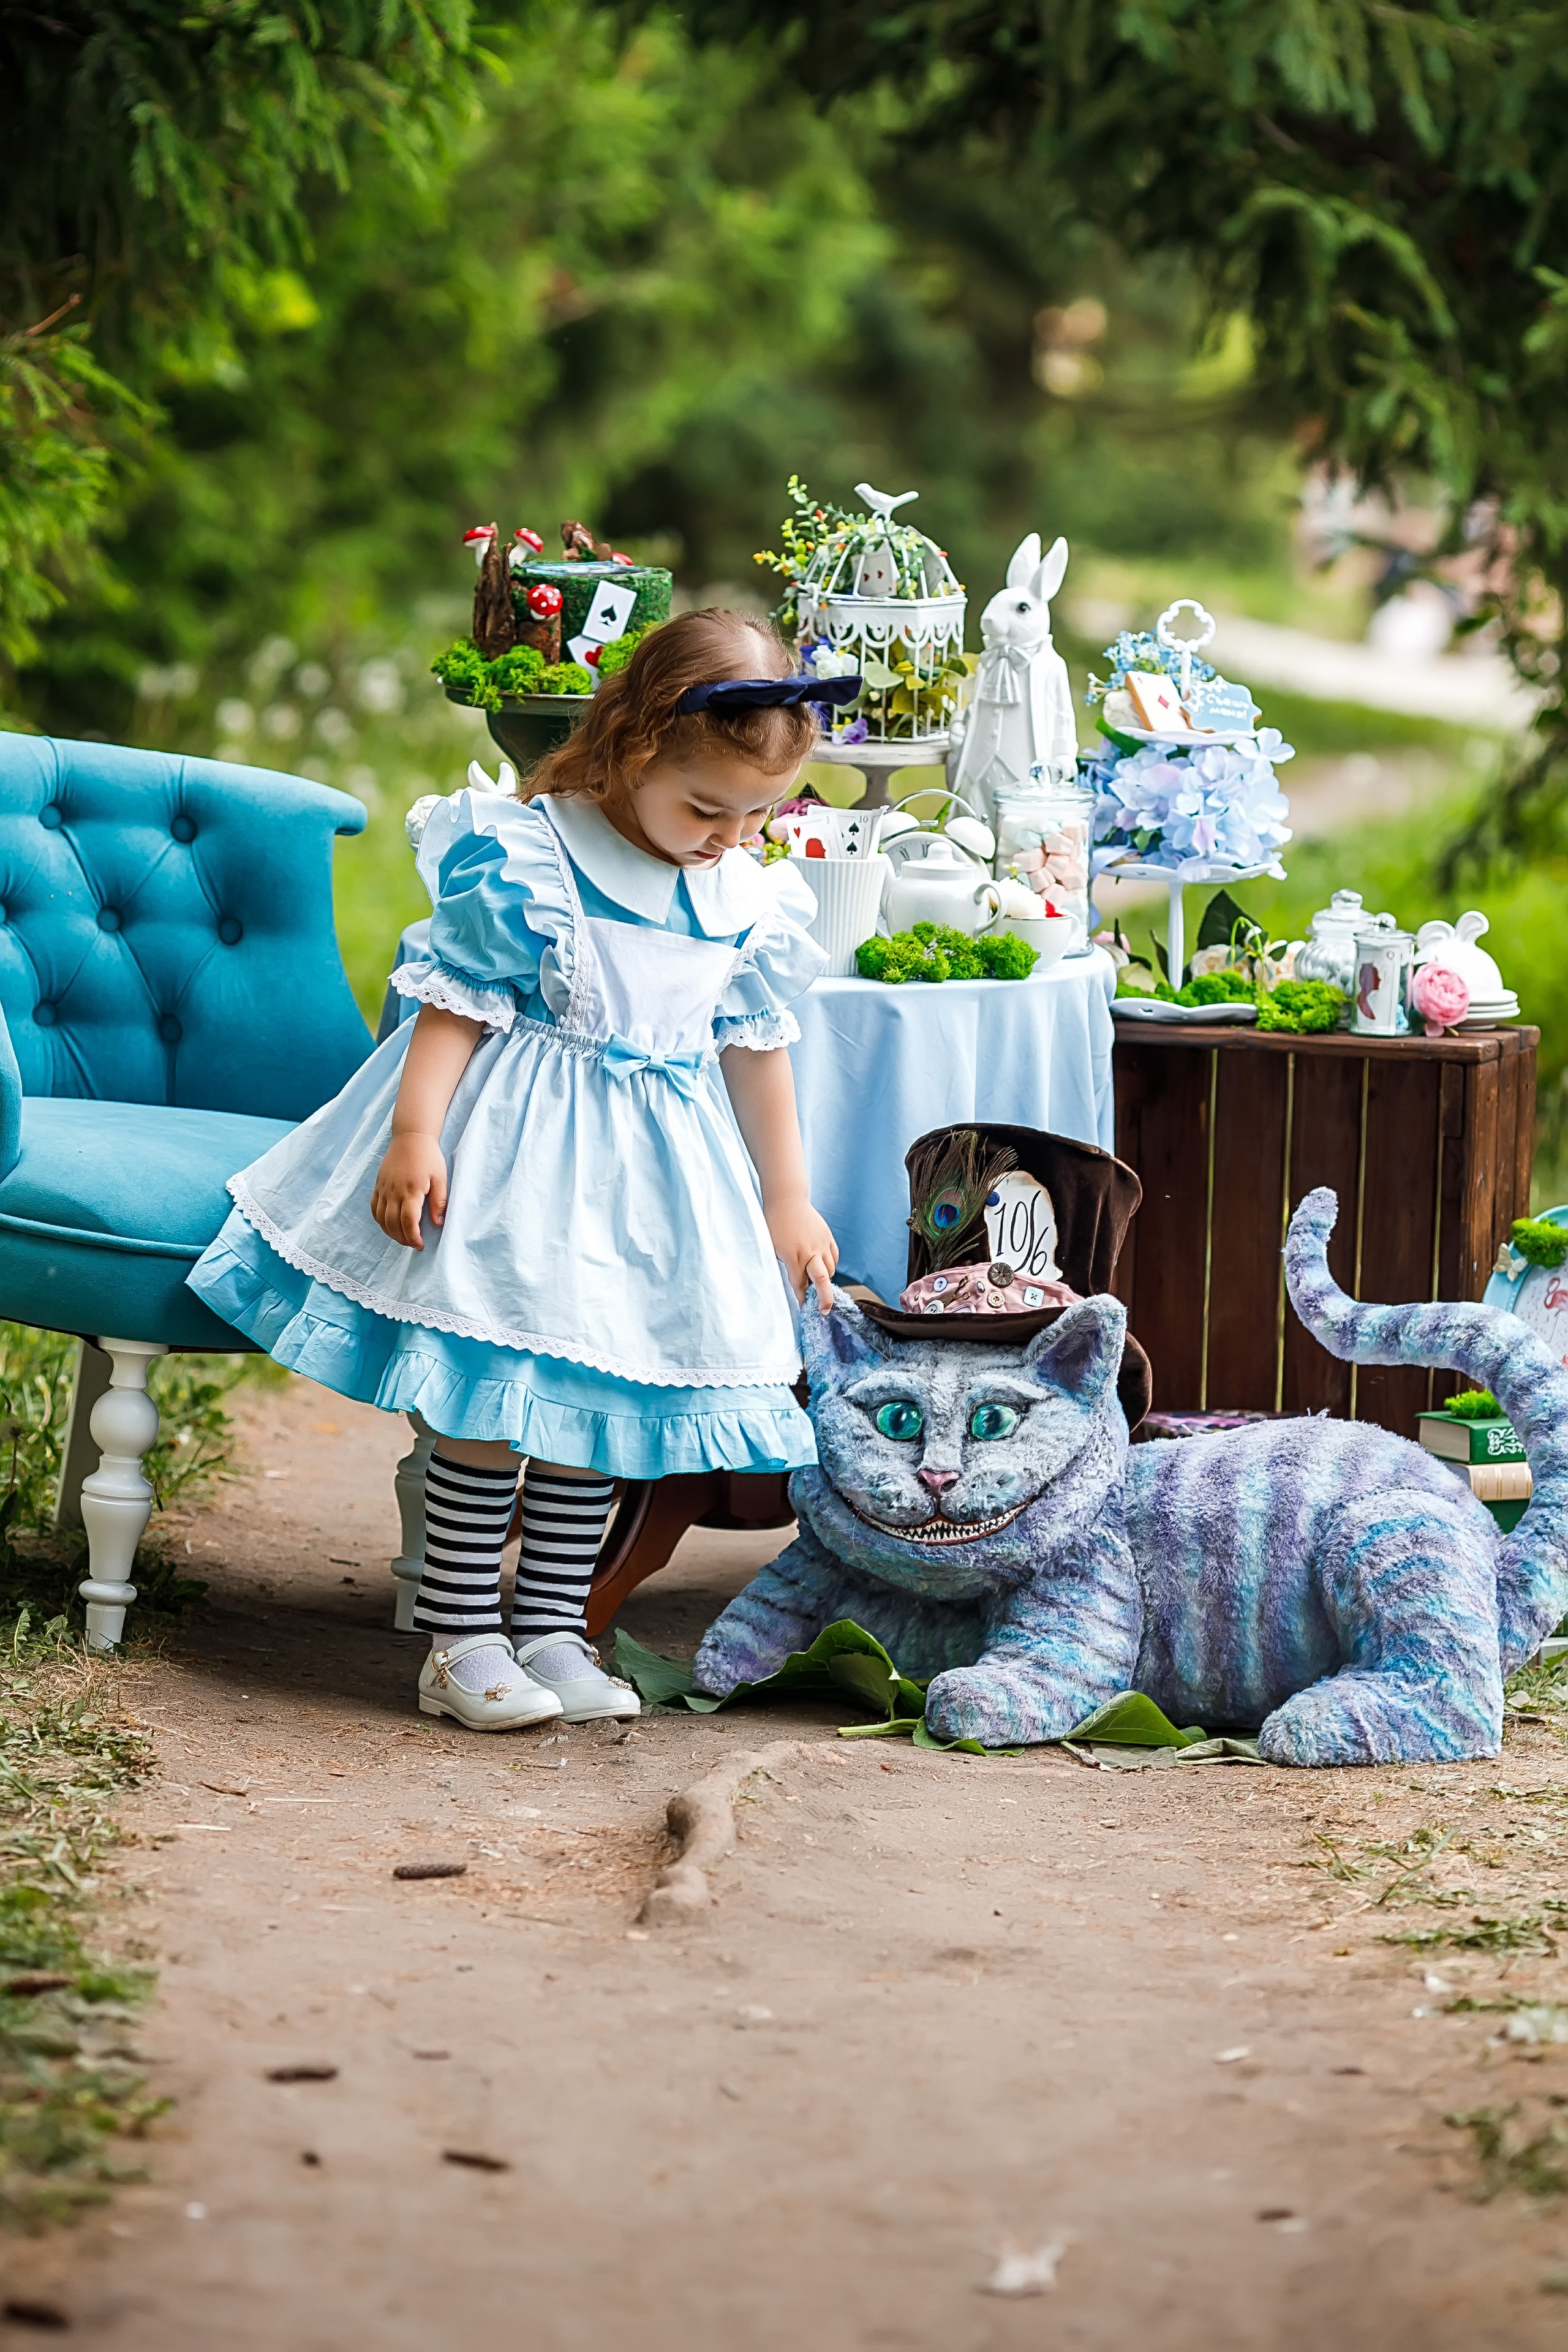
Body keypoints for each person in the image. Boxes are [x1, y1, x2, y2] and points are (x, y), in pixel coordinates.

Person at [189, 609, 849, 1730]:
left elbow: (758, 1049)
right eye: (704, 808)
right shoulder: (535, 857)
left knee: (602, 1407)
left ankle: (551, 1630)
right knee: (493, 1409)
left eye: (757, 816)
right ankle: (459, 1639)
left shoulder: (749, 896)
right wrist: (415, 1135)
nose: (727, 838)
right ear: (637, 747)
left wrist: (787, 1196)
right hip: (525, 1168)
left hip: (660, 1192)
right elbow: (454, 1009)